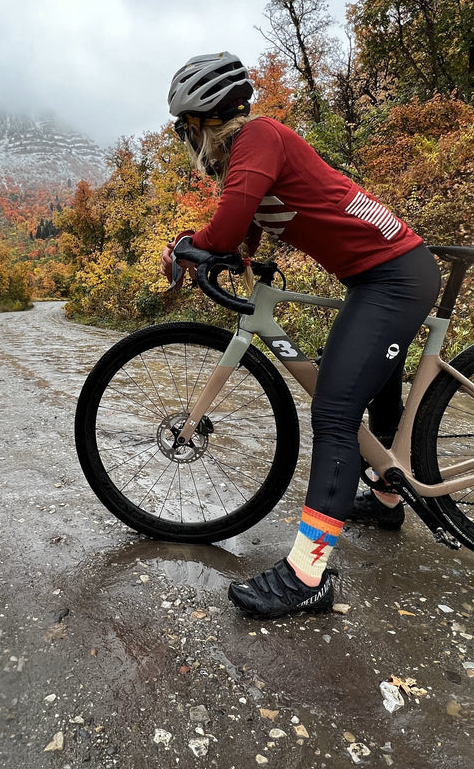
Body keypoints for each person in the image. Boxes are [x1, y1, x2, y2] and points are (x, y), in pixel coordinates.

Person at [160, 52, 441, 619]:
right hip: (381, 277)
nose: (189, 141)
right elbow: (250, 221)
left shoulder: (259, 137)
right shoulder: (256, 151)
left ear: (204, 121)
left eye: (187, 129)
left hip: (392, 279)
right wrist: (235, 253)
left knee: (334, 414)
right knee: (368, 389)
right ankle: (388, 499)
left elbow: (231, 217)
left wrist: (193, 244)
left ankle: (306, 575)